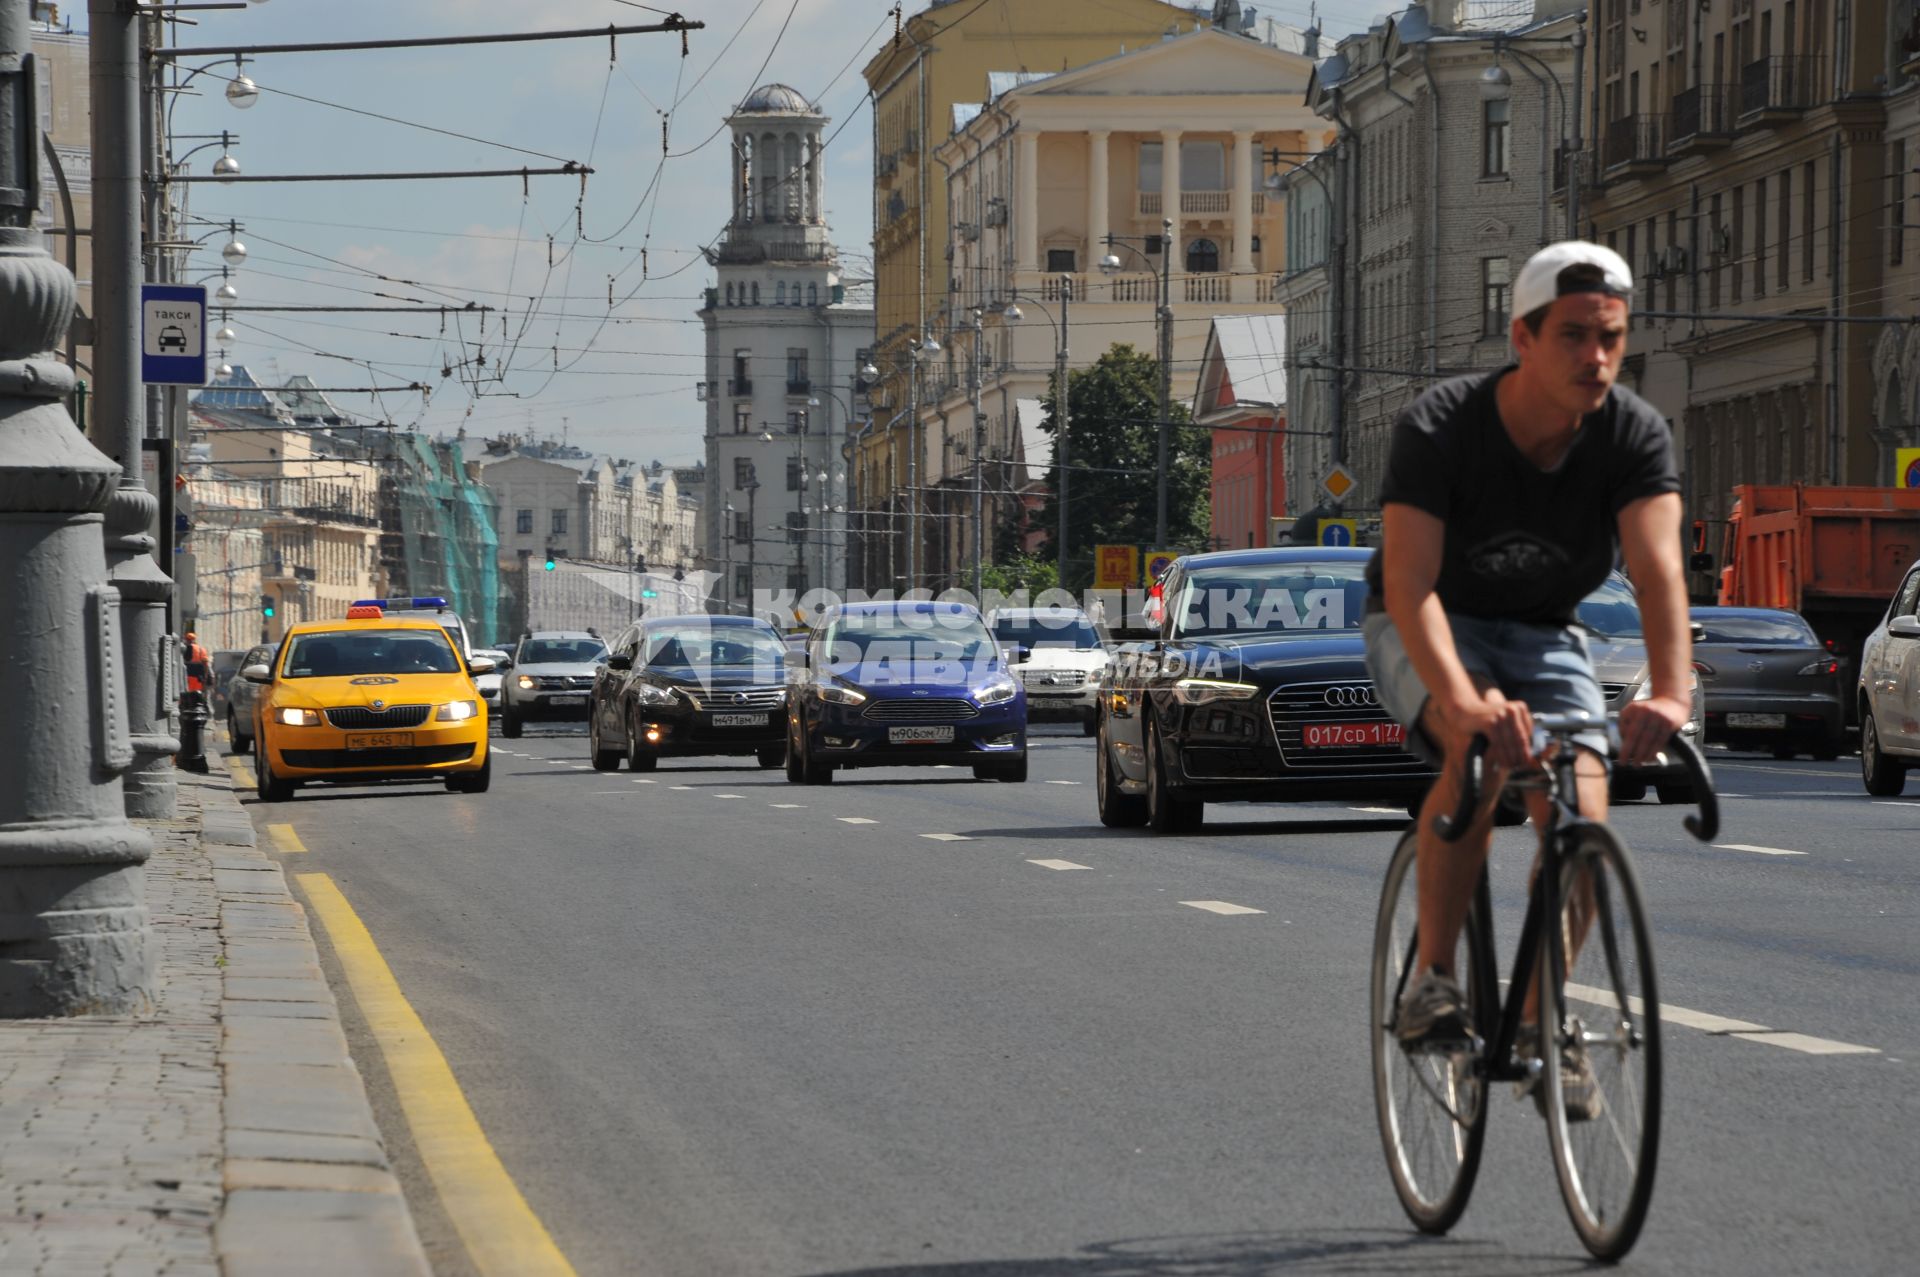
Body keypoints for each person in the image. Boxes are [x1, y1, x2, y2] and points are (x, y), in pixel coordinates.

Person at [1361, 241, 1692, 1119]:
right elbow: (1410, 584)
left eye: (1611, 339)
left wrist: (1670, 691)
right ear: (1524, 336)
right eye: (1576, 335)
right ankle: (1432, 978)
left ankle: (1547, 1025)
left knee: (1583, 805)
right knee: (1478, 757)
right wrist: (1465, 704)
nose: (1597, 357)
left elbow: (1659, 572)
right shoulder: (1441, 426)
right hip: (1422, 619)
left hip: (1544, 629)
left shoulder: (1631, 433)